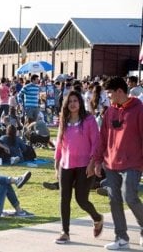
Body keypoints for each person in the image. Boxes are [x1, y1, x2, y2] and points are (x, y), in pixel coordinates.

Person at [94, 77, 143, 250]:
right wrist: (98, 161)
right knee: (114, 200)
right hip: (111, 163)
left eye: (110, 93)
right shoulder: (110, 112)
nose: (108, 97)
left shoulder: (139, 109)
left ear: (120, 91)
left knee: (129, 196)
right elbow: (102, 139)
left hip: (133, 162)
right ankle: (121, 237)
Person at [53, 90, 103, 244]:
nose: (72, 104)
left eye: (75, 101)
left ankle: (97, 218)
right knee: (64, 199)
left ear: (80, 102)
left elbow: (96, 142)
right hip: (66, 165)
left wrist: (92, 163)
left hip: (84, 165)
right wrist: (56, 164)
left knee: (81, 199)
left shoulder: (89, 120)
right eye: (70, 101)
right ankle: (65, 232)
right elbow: (60, 143)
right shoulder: (63, 119)